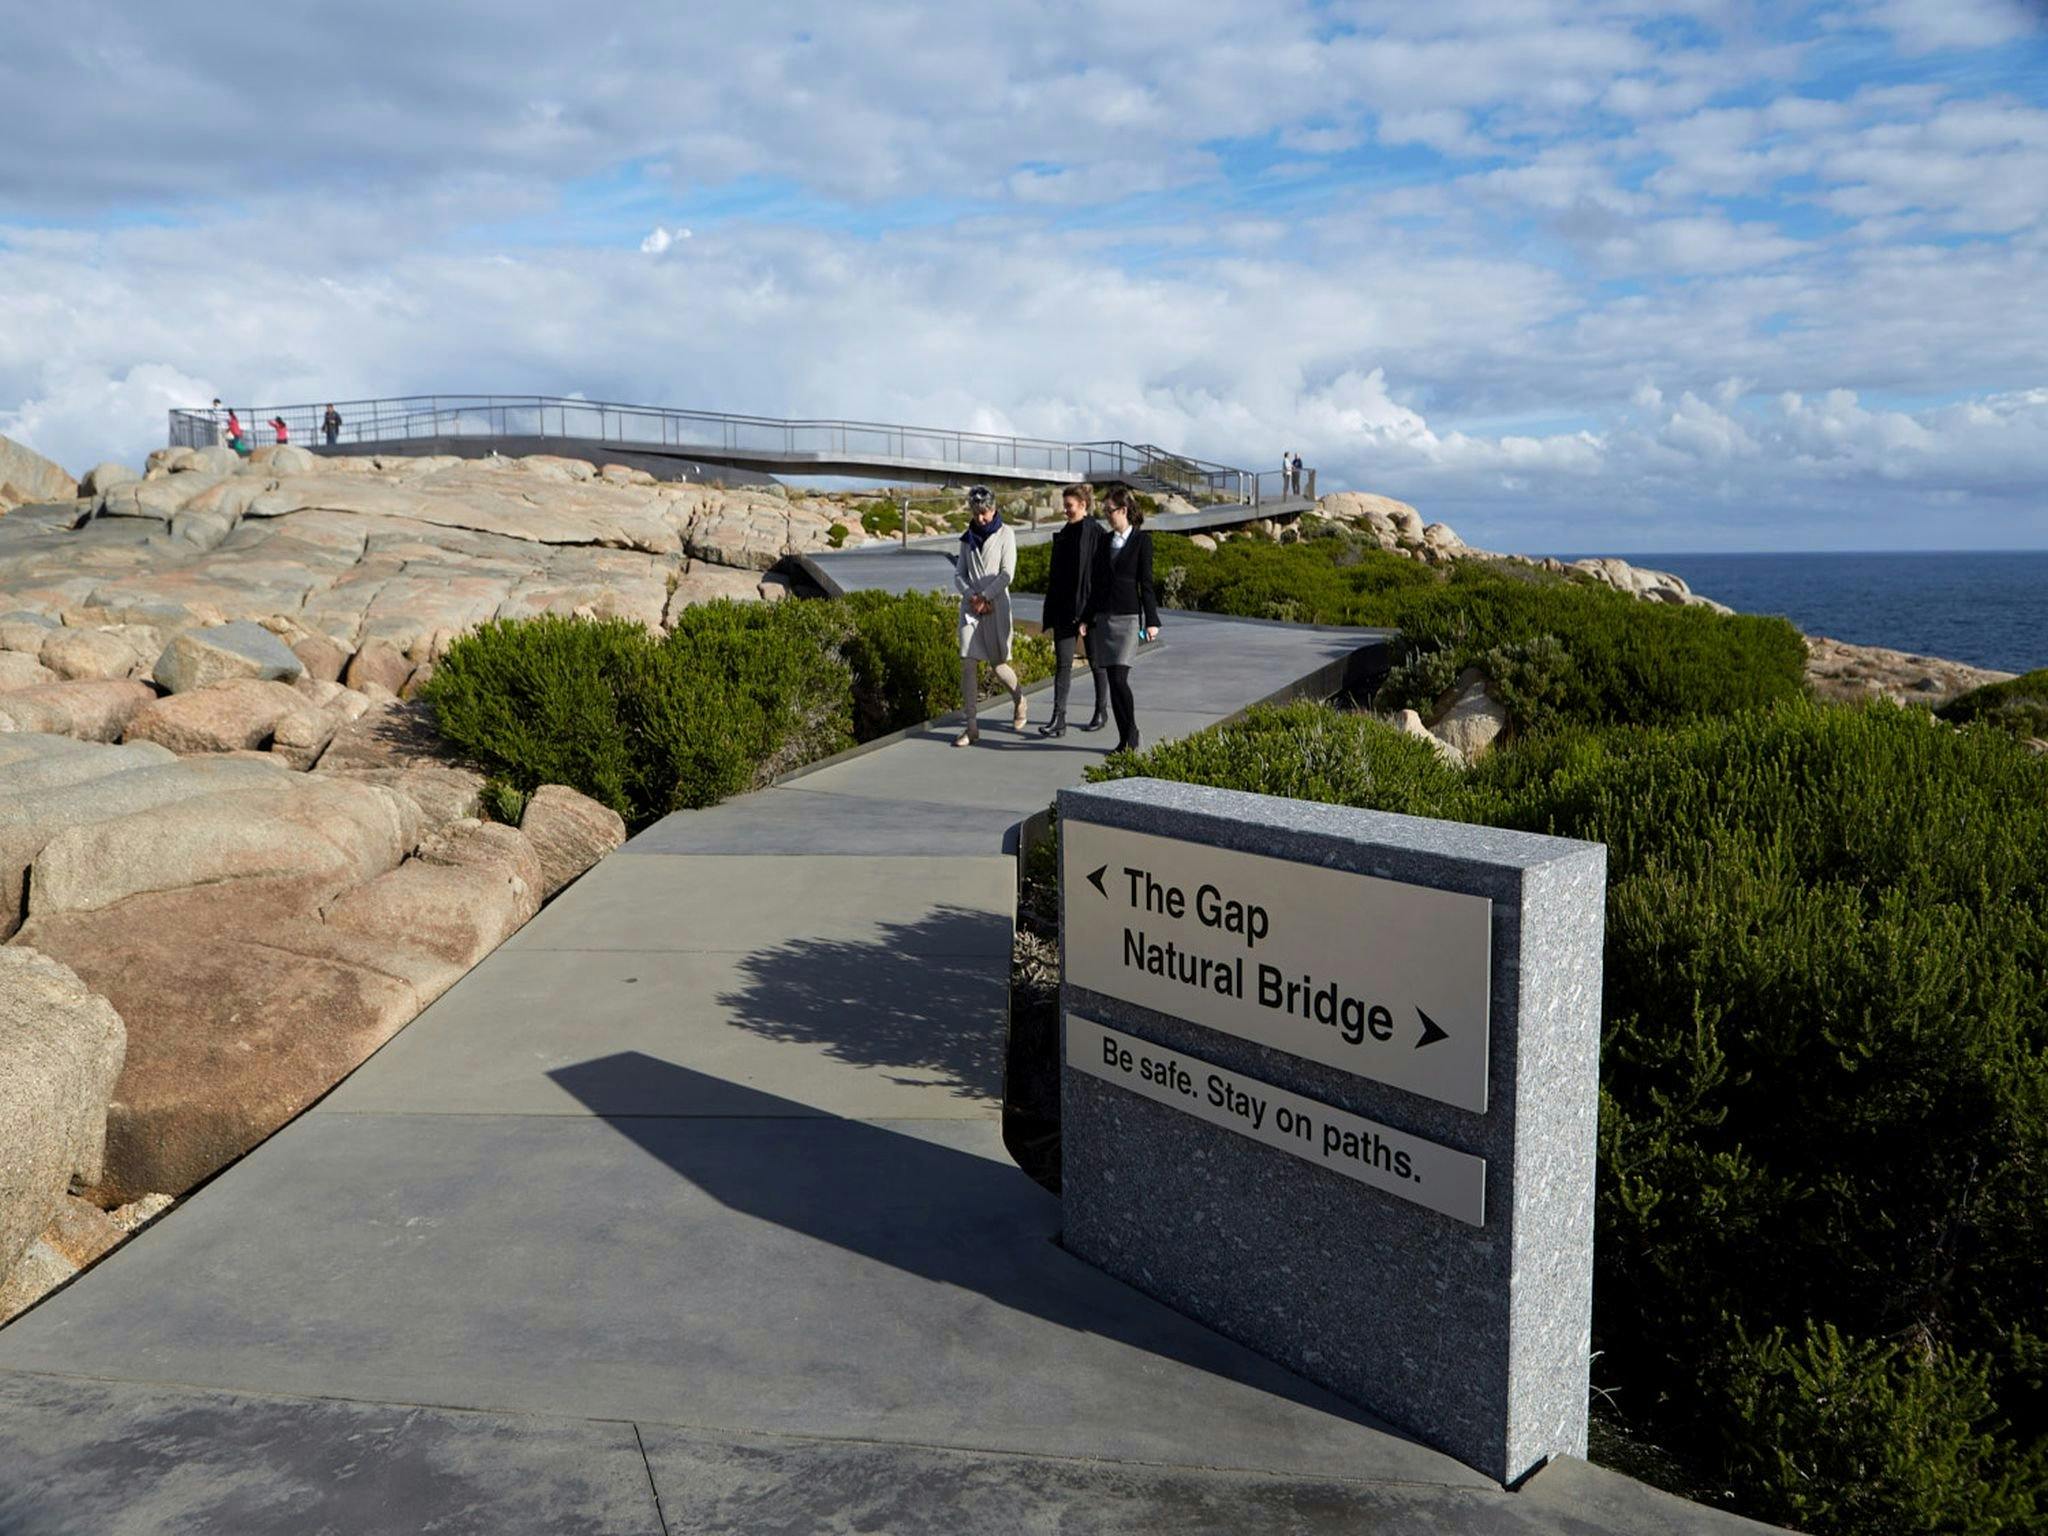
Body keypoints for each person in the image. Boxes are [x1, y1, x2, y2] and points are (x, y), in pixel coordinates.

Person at [1081, 484, 1160, 754]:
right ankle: (1124, 738)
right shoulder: (1104, 541)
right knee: (1112, 680)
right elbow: (1097, 584)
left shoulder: (1142, 541)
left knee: (1119, 679)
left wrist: (1152, 621)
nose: (1106, 515)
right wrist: (1086, 617)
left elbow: (1146, 584)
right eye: (1104, 511)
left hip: (1127, 620)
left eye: (1109, 511)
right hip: (1104, 618)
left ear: (1123, 510)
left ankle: (1132, 730)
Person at [953, 484, 1027, 748]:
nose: (981, 518)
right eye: (976, 513)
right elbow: (958, 574)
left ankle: (1019, 698)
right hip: (971, 609)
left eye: (984, 513)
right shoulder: (966, 538)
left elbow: (1008, 573)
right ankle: (971, 726)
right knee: (968, 663)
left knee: (998, 664)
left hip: (996, 606)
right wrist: (972, 596)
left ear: (993, 508)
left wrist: (986, 596)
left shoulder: (1007, 534)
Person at [1037, 481, 1106, 738]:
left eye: (1070, 506)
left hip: (1088, 611)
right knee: (1063, 665)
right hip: (1064, 611)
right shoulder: (1065, 532)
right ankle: (1059, 718)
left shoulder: (1095, 532)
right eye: (1064, 506)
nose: (1065, 510)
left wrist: (1091, 613)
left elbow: (1099, 576)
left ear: (1083, 505)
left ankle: (1101, 711)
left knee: (1097, 663)